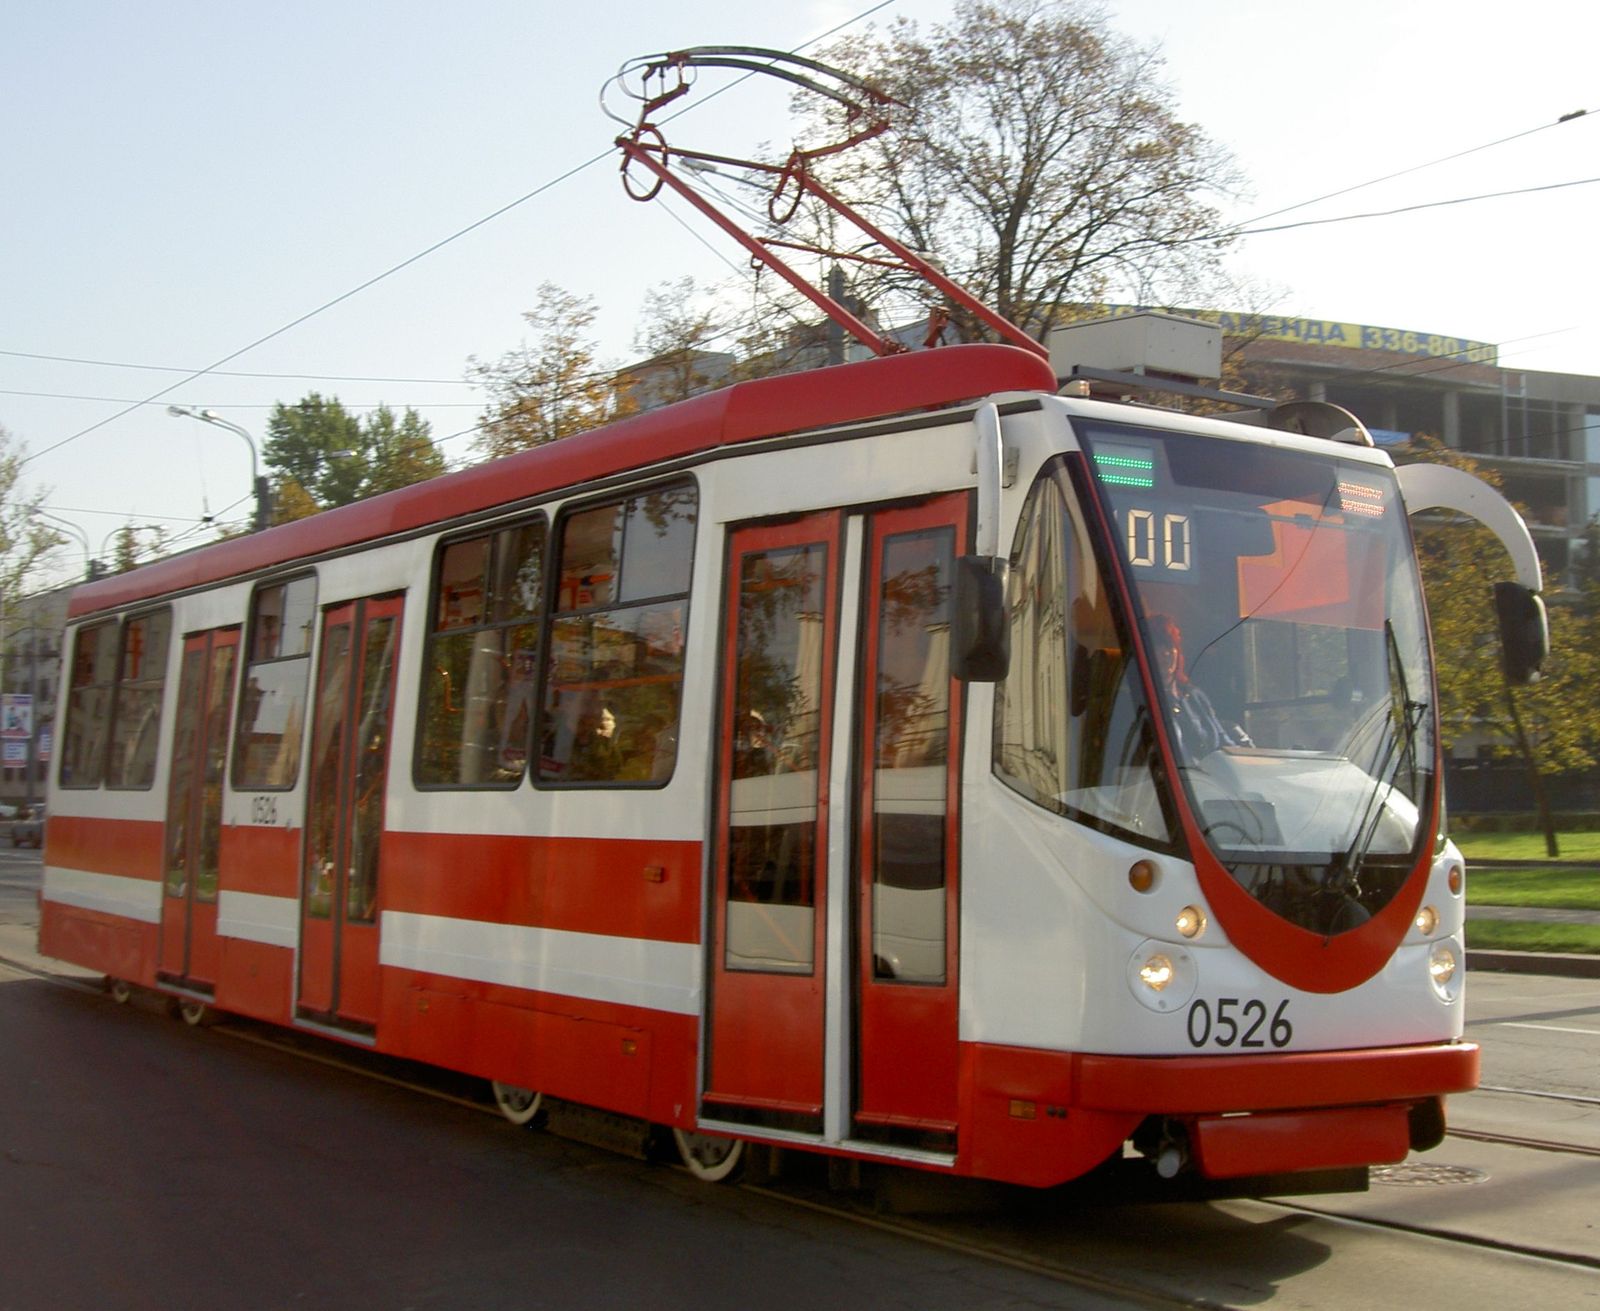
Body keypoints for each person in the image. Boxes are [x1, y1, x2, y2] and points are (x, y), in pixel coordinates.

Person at [1148, 615, 1251, 758]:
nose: (1165, 653)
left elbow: (1223, 740)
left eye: (1170, 646)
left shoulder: (1195, 696)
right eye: (1158, 647)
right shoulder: (1145, 700)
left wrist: (1245, 760)